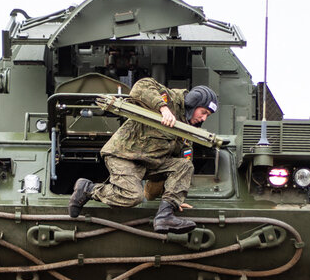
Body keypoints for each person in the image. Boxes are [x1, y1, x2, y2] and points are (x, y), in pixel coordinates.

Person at [68, 78, 218, 233]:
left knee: (185, 165)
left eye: (208, 115)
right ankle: (88, 189)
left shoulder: (188, 128)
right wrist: (163, 109)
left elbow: (183, 159)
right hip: (124, 155)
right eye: (204, 112)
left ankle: (165, 216)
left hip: (150, 164)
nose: (204, 118)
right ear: (193, 104)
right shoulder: (169, 99)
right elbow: (141, 86)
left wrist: (174, 198)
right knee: (132, 196)